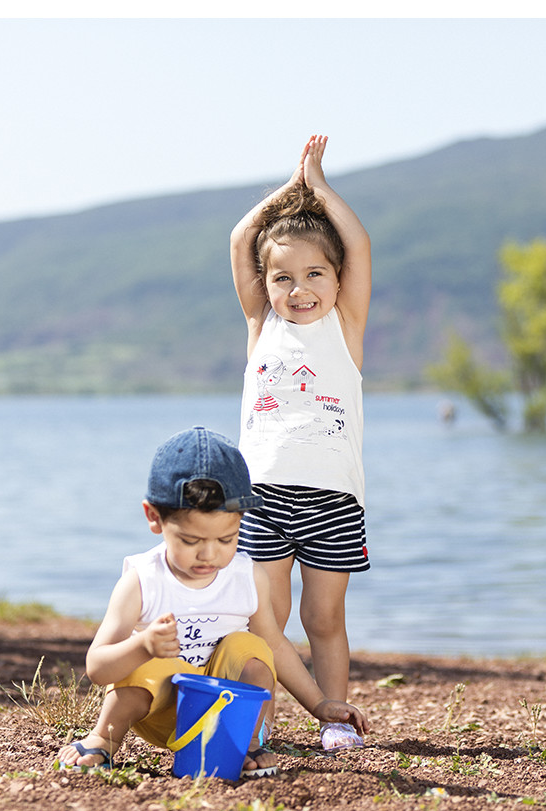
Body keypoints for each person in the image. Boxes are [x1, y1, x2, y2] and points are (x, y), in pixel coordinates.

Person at [56, 426, 368, 777]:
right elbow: (97, 667)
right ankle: (104, 739)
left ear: (242, 522)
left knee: (249, 645)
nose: (209, 554)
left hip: (223, 713)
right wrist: (143, 646)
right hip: (159, 708)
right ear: (154, 517)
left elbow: (276, 646)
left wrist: (319, 703)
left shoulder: (247, 577)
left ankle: (246, 745)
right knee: (153, 662)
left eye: (226, 538)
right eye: (190, 540)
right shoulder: (142, 579)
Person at [230, 135, 372, 752]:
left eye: (315, 272)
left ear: (338, 279)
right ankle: (258, 718)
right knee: (264, 617)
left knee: (323, 619)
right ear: (266, 284)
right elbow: (241, 241)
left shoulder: (346, 327)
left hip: (333, 499)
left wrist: (319, 183)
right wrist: (290, 189)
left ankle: (335, 720)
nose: (300, 287)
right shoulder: (262, 326)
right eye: (283, 277)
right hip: (261, 494)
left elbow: (359, 243)